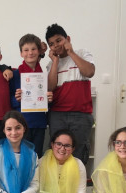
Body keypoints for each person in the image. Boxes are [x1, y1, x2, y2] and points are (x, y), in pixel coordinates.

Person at [45, 23, 95, 164]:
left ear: (68, 39)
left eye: (59, 40)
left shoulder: (82, 53)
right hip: (57, 115)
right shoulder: (51, 64)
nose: (56, 45)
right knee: (57, 154)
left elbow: (89, 72)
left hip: (81, 114)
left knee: (78, 153)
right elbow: (50, 87)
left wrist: (71, 53)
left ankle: (76, 185)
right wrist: (55, 61)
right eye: (52, 44)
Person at [10, 33, 53, 158]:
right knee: (20, 157)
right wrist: (16, 99)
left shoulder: (43, 76)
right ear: (21, 53)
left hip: (39, 123)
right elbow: (10, 101)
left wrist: (49, 100)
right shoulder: (15, 75)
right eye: (26, 50)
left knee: (36, 157)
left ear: (39, 51)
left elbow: (46, 101)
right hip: (21, 124)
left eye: (34, 49)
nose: (30, 53)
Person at [0, 110, 39, 193]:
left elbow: (34, 184)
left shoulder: (32, 155)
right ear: (4, 131)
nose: (13, 133)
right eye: (9, 129)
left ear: (24, 128)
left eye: (18, 128)